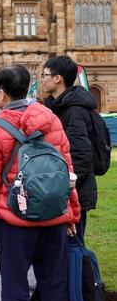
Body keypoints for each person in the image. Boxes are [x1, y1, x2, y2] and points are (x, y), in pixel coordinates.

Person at [0, 65, 80, 301]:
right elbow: (67, 171)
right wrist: (71, 215)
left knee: (15, 291)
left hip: (14, 222)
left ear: (2, 93)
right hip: (54, 218)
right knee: (55, 289)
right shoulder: (51, 119)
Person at [41, 55, 97, 244]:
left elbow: (80, 155)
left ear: (58, 78)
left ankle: (84, 275)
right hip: (58, 189)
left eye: (45, 75)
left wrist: (65, 189)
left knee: (73, 248)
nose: (42, 79)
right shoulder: (54, 105)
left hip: (73, 193)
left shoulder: (74, 110)